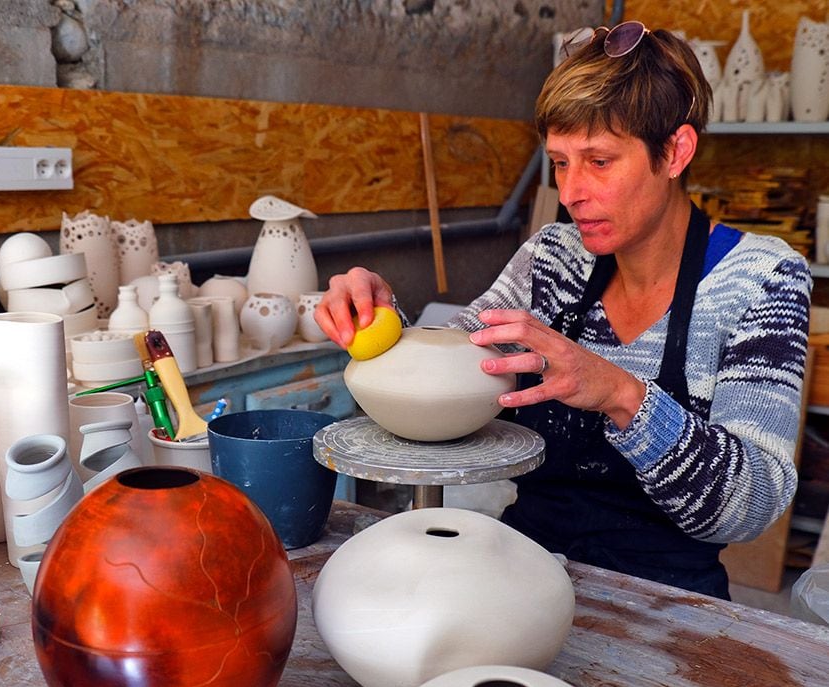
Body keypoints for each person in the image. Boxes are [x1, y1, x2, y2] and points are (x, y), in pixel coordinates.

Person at [314, 22, 812, 599]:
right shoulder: (553, 258)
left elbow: (750, 507)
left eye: (599, 161)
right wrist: (381, 315)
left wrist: (622, 395)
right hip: (526, 568)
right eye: (560, 162)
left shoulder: (760, 278)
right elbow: (453, 358)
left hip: (672, 600)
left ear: (675, 151)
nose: (572, 191)